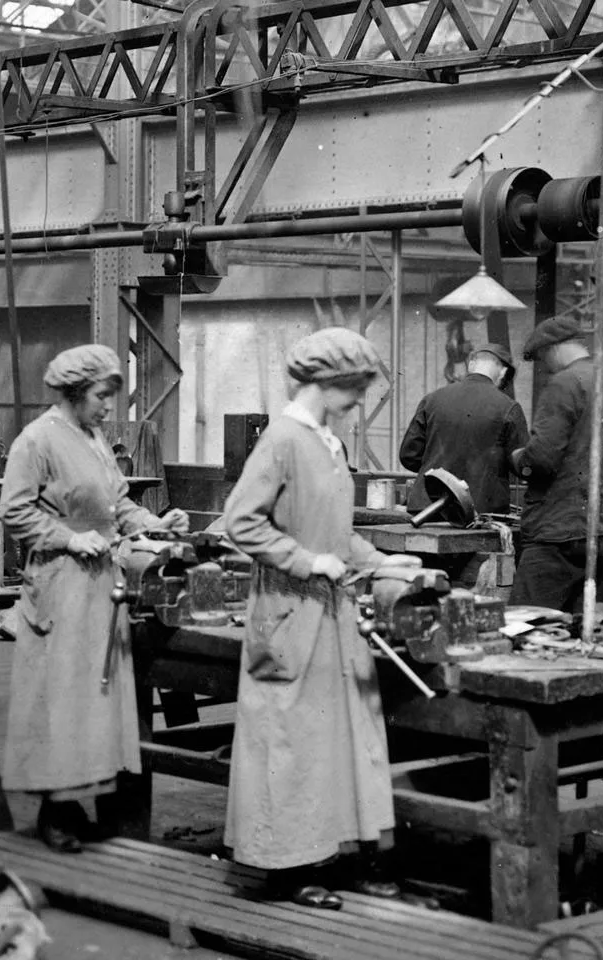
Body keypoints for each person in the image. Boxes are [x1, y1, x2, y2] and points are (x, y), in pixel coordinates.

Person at [221, 328, 421, 906]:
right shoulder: (283, 439)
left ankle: (331, 852)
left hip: (330, 614)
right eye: (355, 389)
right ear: (328, 381)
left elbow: (338, 534)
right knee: (290, 742)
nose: (360, 401)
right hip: (289, 614)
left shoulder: (329, 444)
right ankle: (287, 868)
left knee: (334, 738)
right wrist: (308, 561)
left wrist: (383, 561)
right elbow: (242, 522)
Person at [0, 344, 187, 852]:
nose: (109, 407)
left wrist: (155, 522)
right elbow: (13, 512)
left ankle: (97, 798)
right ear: (78, 392)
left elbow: (117, 504)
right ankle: (54, 809)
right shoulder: (36, 441)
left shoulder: (95, 438)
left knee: (95, 698)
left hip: (102, 584)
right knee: (59, 698)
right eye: (103, 396)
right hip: (61, 583)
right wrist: (67, 536)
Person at [509, 317, 603, 614]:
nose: (544, 367)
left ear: (554, 349)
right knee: (580, 629)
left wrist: (518, 458)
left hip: (557, 534)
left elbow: (541, 460)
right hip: (602, 534)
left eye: (543, 359)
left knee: (524, 624)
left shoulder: (563, 384)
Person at [398, 343, 526, 513]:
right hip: (479, 513)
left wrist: (438, 475)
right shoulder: (509, 407)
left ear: (471, 365)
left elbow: (409, 455)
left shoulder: (432, 399)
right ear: (503, 372)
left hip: (428, 508)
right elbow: (522, 464)